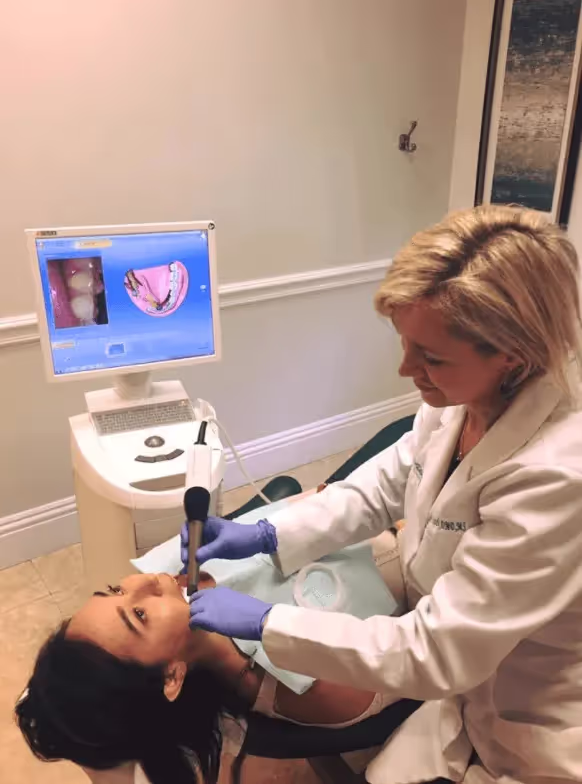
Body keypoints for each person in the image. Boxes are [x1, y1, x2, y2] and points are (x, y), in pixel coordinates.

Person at [183, 205, 582, 784]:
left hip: (538, 721)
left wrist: (269, 623)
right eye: (406, 344)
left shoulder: (558, 478)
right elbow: (383, 485)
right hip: (464, 691)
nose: (405, 369)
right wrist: (268, 533)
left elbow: (435, 651)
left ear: (512, 355)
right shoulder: (459, 403)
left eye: (431, 357)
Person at [15, 569, 411, 784]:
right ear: (172, 677)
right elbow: (410, 655)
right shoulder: (301, 690)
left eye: (114, 588)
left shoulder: (193, 588)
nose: (142, 580)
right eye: (139, 614)